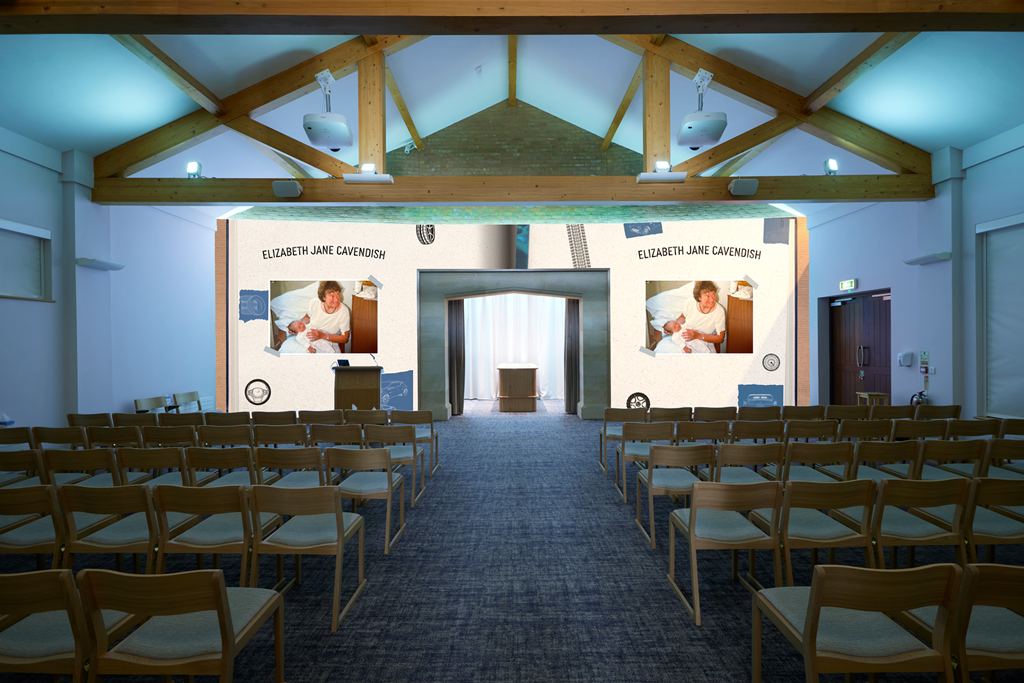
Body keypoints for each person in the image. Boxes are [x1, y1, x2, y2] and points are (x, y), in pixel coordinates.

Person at [648, 280, 726, 354]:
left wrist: (698, 335)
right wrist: (675, 328)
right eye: (707, 296)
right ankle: (643, 352)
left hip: (702, 342)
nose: (712, 299)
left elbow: (720, 338)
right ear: (699, 297)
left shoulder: (719, 312)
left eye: (713, 294)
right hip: (684, 338)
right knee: (660, 353)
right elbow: (682, 317)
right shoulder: (690, 303)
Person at [305, 280, 350, 352]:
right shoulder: (314, 303)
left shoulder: (343, 312)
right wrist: (298, 327)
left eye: (338, 294)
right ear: (324, 297)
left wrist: (322, 335)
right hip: (310, 339)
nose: (337, 299)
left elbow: (344, 338)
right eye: (332, 296)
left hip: (329, 344)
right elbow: (307, 317)